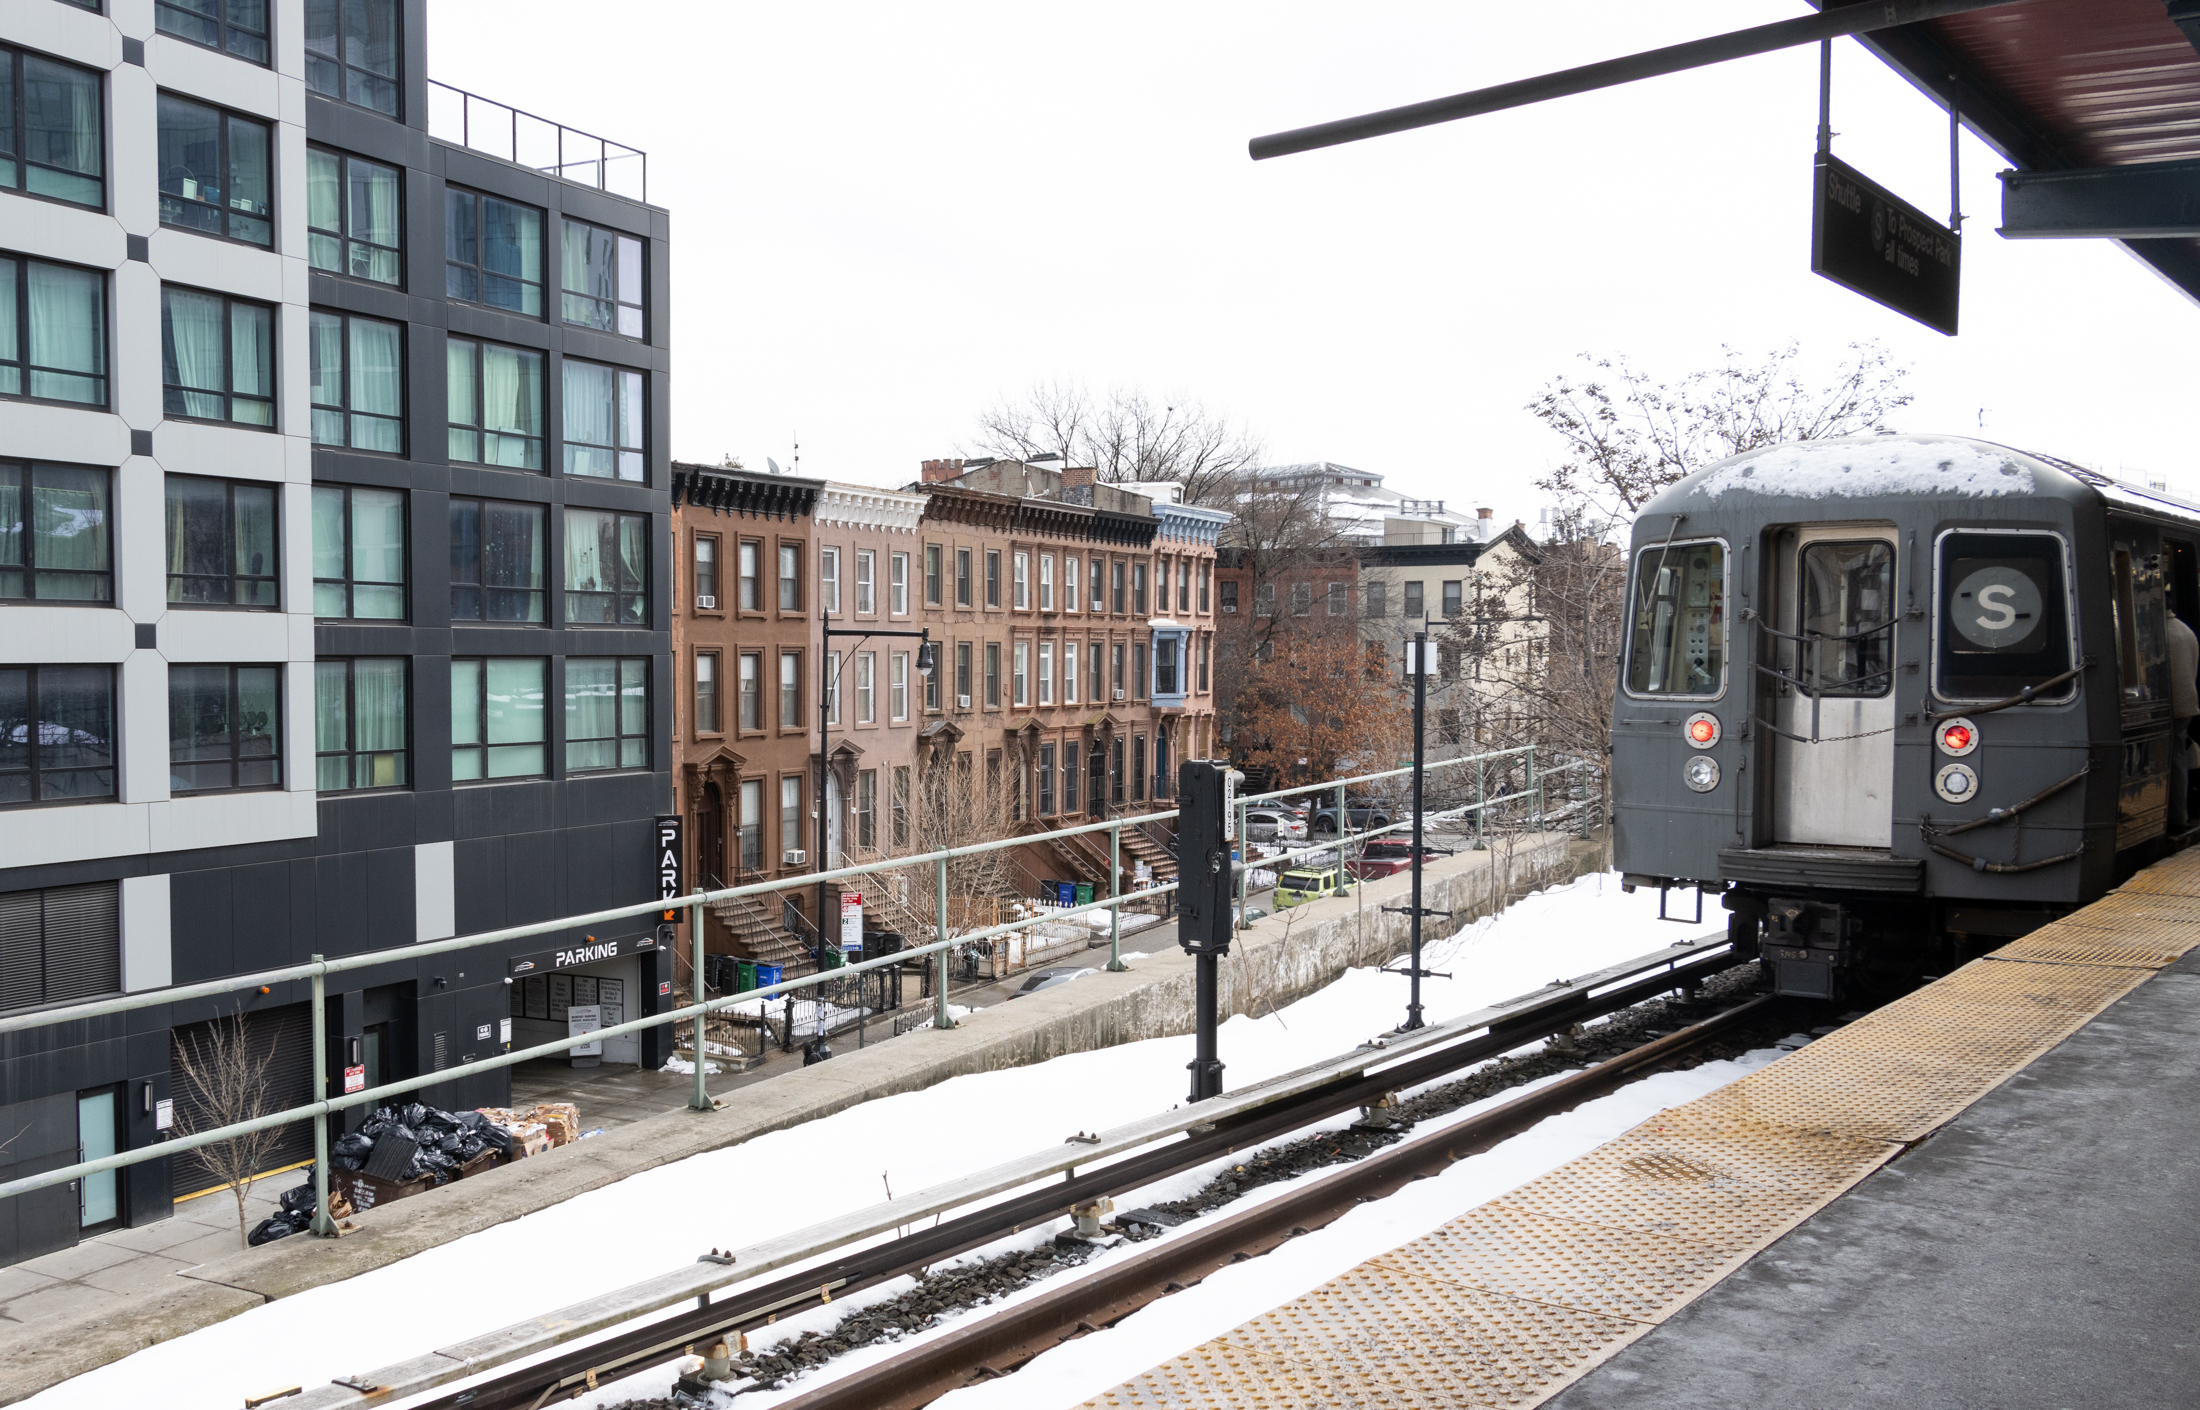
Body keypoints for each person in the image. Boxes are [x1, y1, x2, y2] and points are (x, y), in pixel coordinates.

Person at [2168, 608, 2199, 829]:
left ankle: (2176, 817)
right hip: (2185, 704)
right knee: (2178, 758)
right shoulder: (2184, 630)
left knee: (2173, 760)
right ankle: (2180, 816)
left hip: (2168, 708)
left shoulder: (2158, 632)